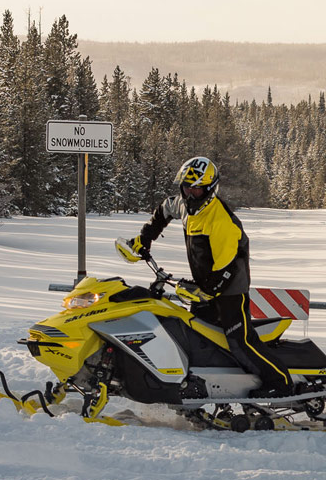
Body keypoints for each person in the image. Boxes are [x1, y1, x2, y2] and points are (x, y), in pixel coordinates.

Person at [116, 156, 294, 397]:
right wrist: (146, 236)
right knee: (196, 335)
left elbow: (227, 268)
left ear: (210, 189)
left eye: (196, 188)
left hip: (230, 288)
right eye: (186, 187)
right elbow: (164, 209)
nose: (190, 193)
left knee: (239, 339)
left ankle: (281, 383)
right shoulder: (185, 205)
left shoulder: (221, 220)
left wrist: (206, 290)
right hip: (205, 284)